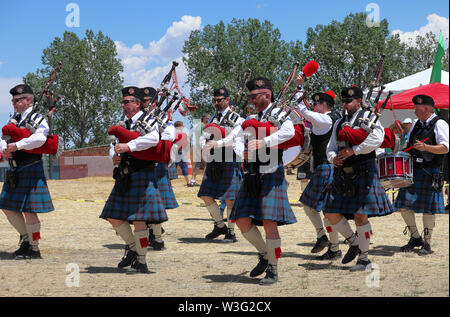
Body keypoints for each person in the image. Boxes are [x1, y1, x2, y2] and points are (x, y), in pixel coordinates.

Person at [229, 77, 297, 285]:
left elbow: (289, 132)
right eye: (250, 96)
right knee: (241, 219)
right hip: (251, 172)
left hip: (271, 170)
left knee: (269, 221)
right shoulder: (249, 118)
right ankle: (264, 254)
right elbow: (237, 139)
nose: (251, 100)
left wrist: (264, 141)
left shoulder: (279, 115)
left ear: (266, 95)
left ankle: (273, 270)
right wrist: (243, 153)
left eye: (254, 96)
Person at [324, 86, 394, 272]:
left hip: (363, 170)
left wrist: (353, 150)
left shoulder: (370, 117)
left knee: (360, 216)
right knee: (330, 212)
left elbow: (378, 139)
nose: (346, 104)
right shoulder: (339, 122)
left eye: (349, 101)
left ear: (359, 101)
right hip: (343, 173)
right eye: (344, 101)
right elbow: (330, 146)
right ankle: (353, 242)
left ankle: (364, 259)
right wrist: (333, 158)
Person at [100, 86, 167, 273]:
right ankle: (132, 247)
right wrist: (114, 155)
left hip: (142, 174)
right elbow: (113, 146)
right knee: (113, 217)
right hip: (124, 175)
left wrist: (128, 146)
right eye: (122, 102)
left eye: (127, 101)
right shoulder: (122, 123)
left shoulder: (149, 120)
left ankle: (142, 260)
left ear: (137, 104)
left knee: (139, 220)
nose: (123, 105)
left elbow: (153, 139)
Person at [0, 84, 55, 259]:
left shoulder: (38, 118)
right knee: (7, 207)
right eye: (13, 100)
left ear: (28, 100)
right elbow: (3, 138)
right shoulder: (13, 119)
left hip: (31, 167)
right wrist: (4, 149)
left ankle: (34, 247)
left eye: (17, 100)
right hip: (15, 168)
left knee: (30, 211)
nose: (14, 103)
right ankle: (26, 240)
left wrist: (18, 145)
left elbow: (40, 138)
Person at [394, 95, 449, 255]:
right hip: (413, 171)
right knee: (403, 206)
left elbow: (445, 147)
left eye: (417, 109)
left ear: (426, 108)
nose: (414, 111)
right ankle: (415, 237)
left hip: (431, 171)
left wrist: (426, 148)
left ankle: (427, 243)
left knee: (428, 210)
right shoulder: (416, 124)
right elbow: (408, 144)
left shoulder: (440, 123)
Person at [295, 89, 342, 260]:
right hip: (323, 168)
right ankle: (328, 242)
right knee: (318, 208)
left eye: (316, 104)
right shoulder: (324, 120)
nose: (313, 106)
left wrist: (299, 90)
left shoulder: (326, 119)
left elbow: (303, 112)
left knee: (320, 209)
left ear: (324, 105)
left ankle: (333, 243)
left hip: (326, 168)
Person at [198, 88, 244, 242]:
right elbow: (204, 136)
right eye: (215, 100)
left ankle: (231, 232)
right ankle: (219, 225)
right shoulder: (212, 117)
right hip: (214, 160)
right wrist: (203, 145)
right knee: (205, 195)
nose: (217, 103)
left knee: (230, 198)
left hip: (230, 158)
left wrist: (216, 143)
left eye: (220, 100)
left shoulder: (237, 118)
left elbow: (232, 139)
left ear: (227, 100)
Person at [141, 87, 177, 251]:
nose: (146, 104)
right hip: (140, 163)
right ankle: (150, 235)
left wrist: (156, 131)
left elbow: (170, 135)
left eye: (149, 101)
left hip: (157, 164)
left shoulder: (163, 119)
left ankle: (157, 238)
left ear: (155, 103)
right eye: (144, 101)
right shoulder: (138, 118)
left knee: (156, 203)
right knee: (143, 203)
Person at [189, 113, 210, 187]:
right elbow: (204, 137)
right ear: (204, 118)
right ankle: (206, 182)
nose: (208, 120)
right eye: (207, 118)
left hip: (197, 146)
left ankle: (192, 180)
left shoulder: (198, 126)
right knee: (207, 164)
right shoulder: (203, 126)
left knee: (197, 165)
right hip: (202, 146)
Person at [174, 121, 192, 185]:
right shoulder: (177, 133)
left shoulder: (176, 133)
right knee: (183, 166)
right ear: (179, 126)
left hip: (178, 152)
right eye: (182, 126)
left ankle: (188, 182)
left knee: (174, 167)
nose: (183, 127)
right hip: (177, 152)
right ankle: (188, 182)